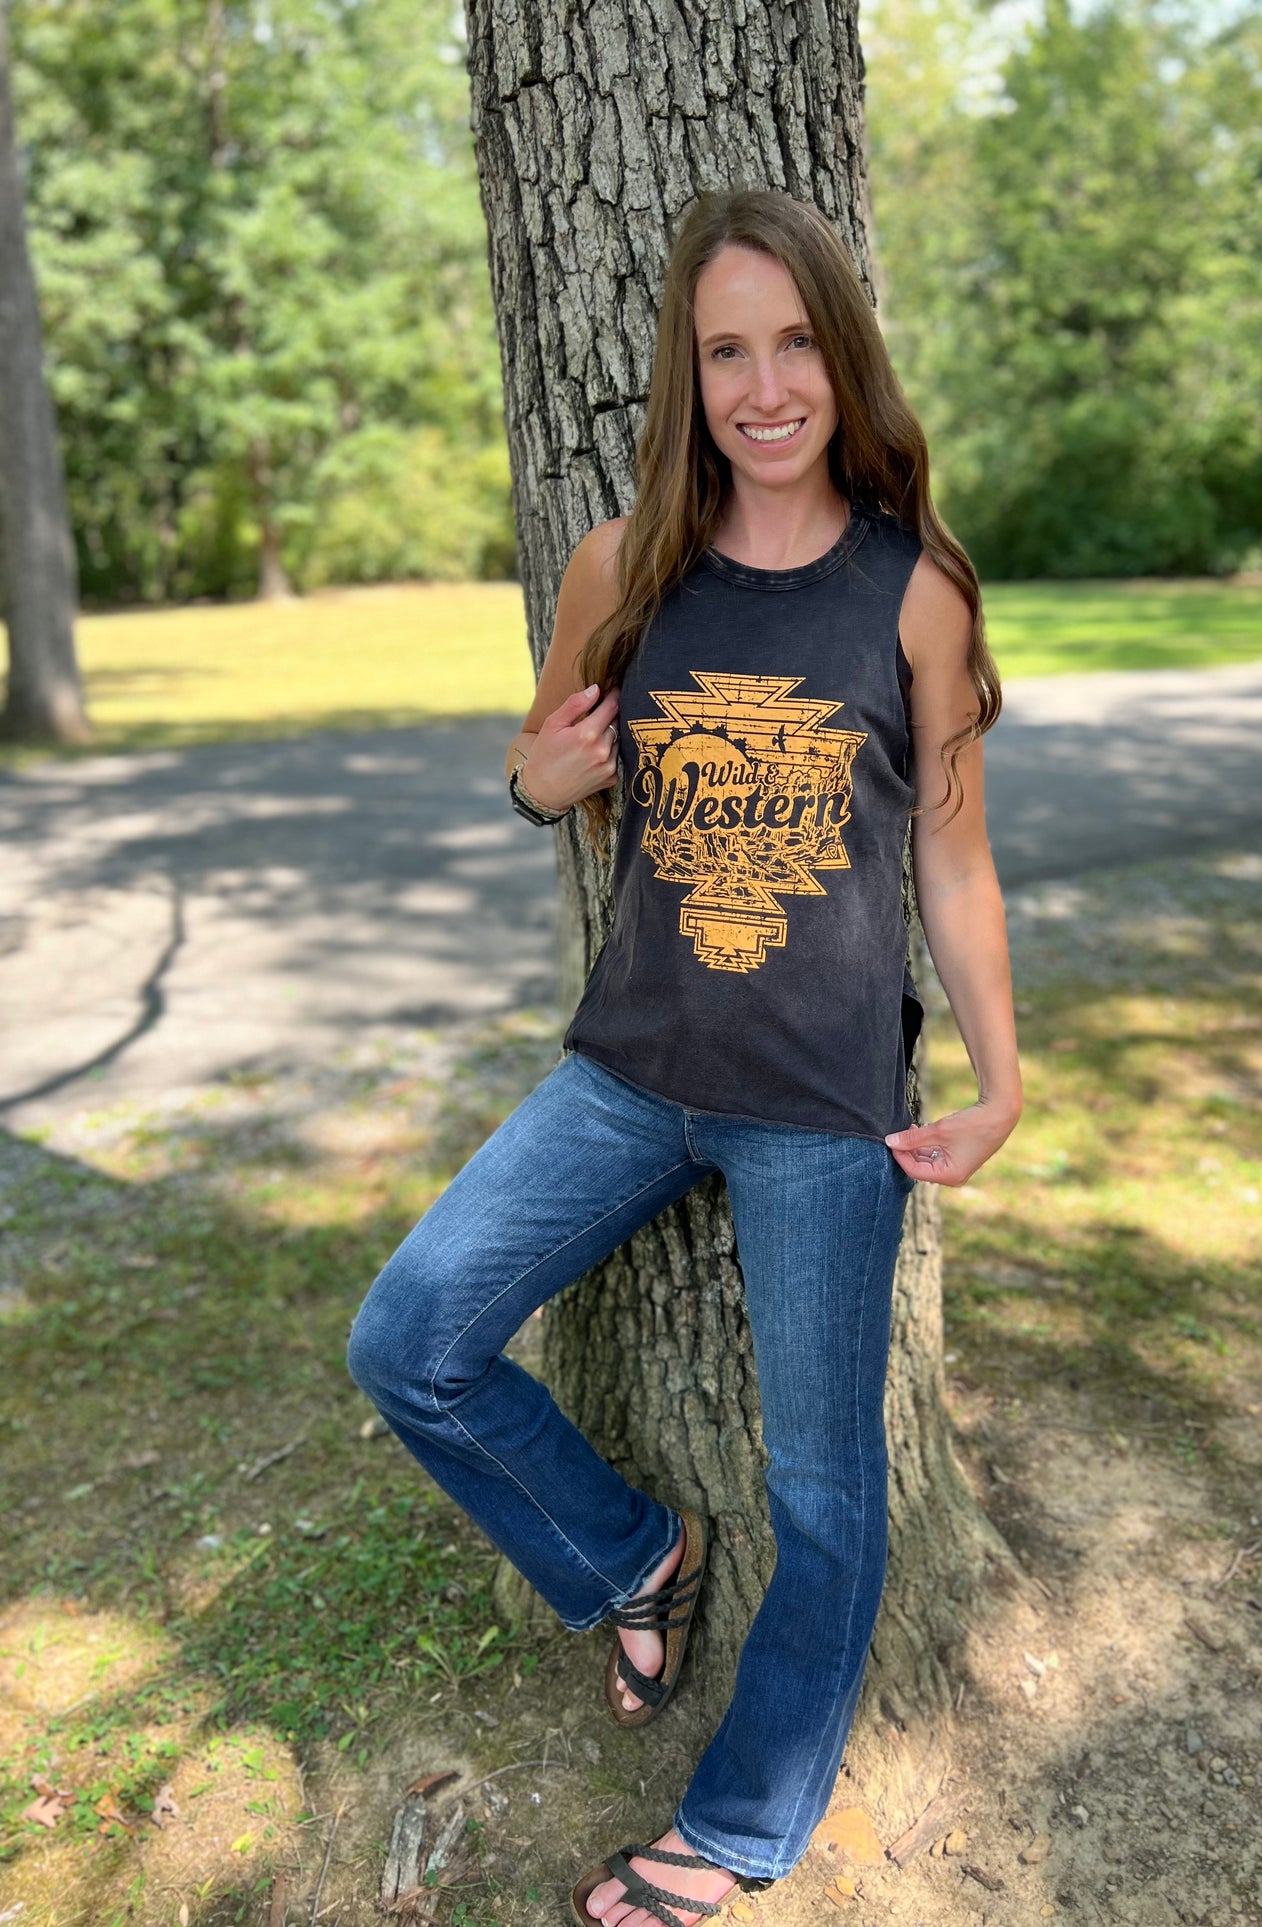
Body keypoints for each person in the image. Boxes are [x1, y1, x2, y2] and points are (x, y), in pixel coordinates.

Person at [346, 187, 1022, 1927]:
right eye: (727, 352)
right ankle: (633, 1552)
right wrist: (538, 784)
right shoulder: (622, 568)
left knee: (826, 1495)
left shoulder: (913, 591)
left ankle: (738, 1827)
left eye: (794, 344)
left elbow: (951, 855)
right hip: (629, 1072)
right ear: (687, 374)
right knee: (408, 1341)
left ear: (841, 358)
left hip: (822, 1111)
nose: (764, 387)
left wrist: (1002, 1084)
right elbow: (541, 756)